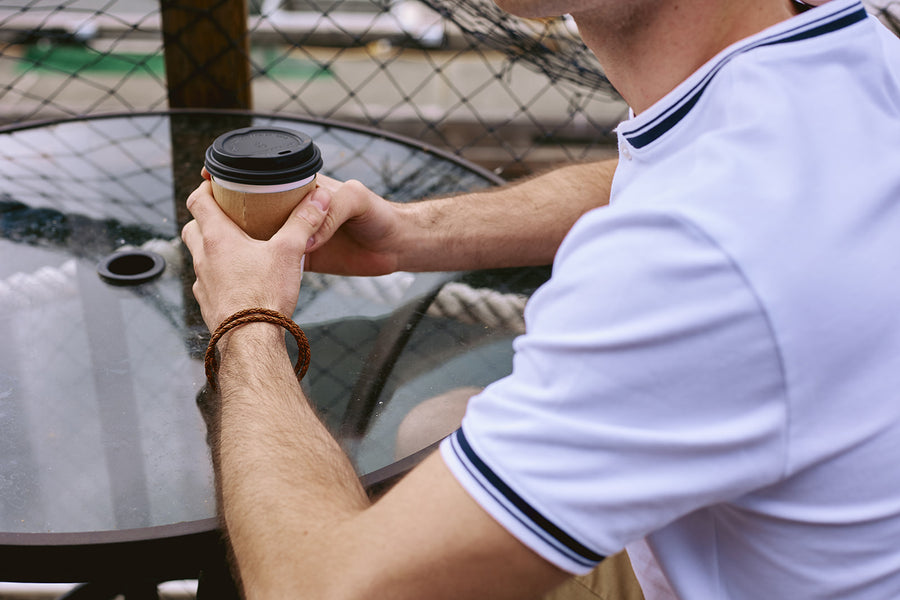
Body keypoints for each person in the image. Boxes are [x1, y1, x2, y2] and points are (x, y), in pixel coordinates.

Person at [181, 0, 900, 597]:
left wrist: (246, 319)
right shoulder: (845, 55)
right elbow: (662, 177)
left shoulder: (697, 255)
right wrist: (409, 234)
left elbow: (319, 589)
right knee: (436, 421)